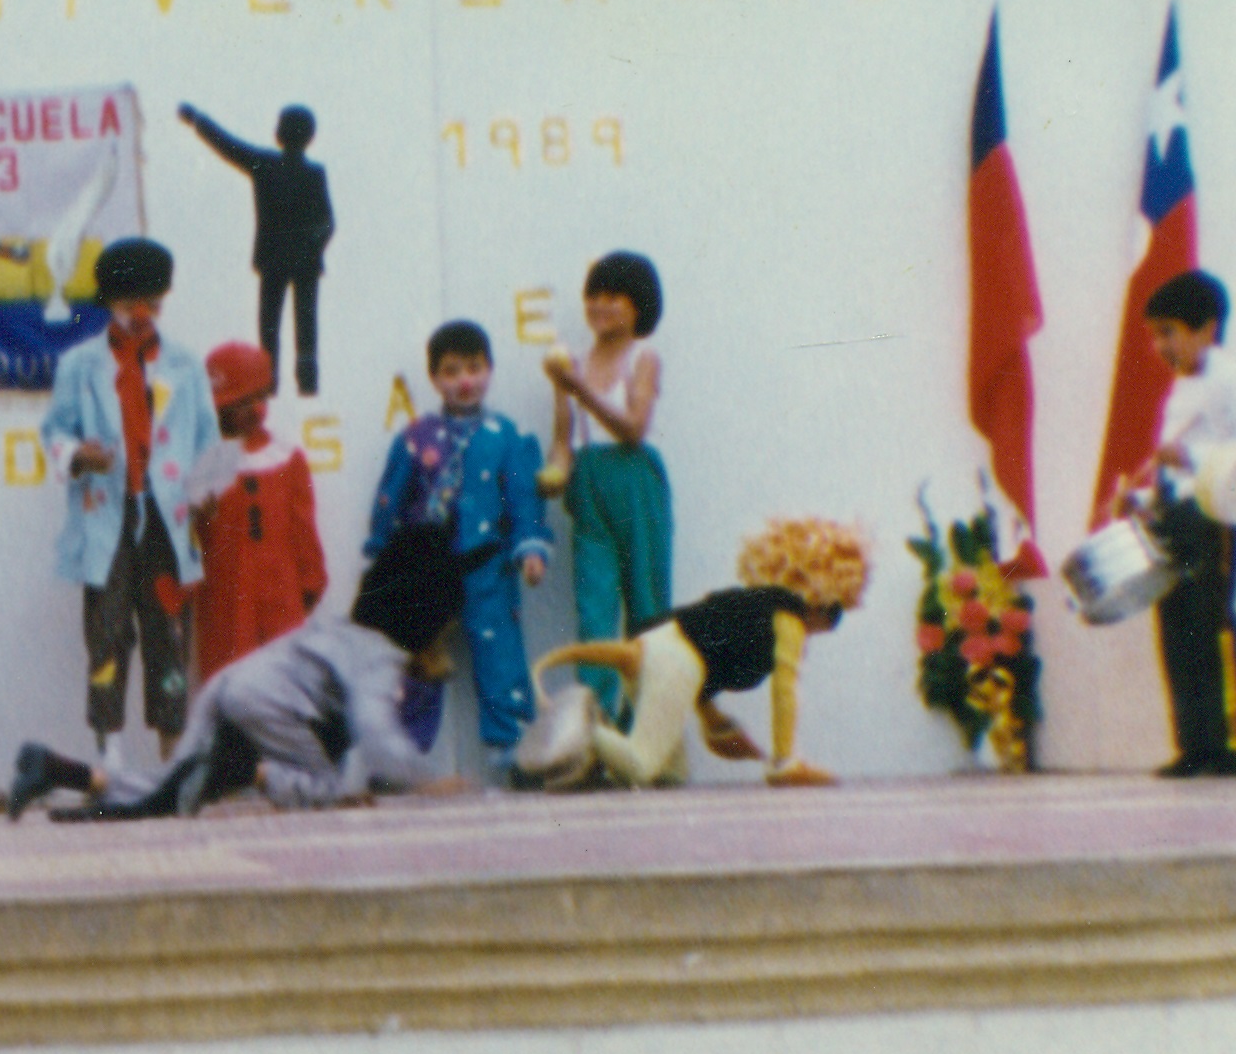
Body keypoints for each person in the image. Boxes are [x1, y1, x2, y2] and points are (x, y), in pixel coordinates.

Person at [6, 521, 479, 821]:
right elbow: (374, 728)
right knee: (333, 793)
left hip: (231, 683)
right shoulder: (379, 655)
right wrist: (425, 779)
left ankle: (58, 770)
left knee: (175, 785)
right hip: (270, 704)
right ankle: (247, 770)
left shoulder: (339, 628)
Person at [40, 237, 221, 760]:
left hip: (168, 516)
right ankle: (111, 756)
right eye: (126, 306)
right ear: (108, 305)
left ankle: (172, 751)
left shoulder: (186, 365)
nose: (140, 315)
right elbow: (54, 430)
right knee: (108, 632)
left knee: (169, 633)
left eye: (151, 304)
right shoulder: (80, 364)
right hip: (108, 516)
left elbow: (208, 440)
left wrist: (206, 491)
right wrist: (77, 453)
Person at [534, 516, 869, 790]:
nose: (823, 630)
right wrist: (785, 762)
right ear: (820, 601)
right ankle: (583, 728)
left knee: (670, 777)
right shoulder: (790, 619)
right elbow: (785, 690)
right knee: (640, 764)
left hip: (658, 648)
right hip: (671, 661)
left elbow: (705, 662)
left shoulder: (759, 606)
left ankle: (593, 739)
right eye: (833, 616)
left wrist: (717, 725)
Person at [367, 320, 551, 783]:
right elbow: (391, 494)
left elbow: (525, 497)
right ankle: (399, 760)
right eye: (451, 371)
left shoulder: (507, 435)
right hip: (424, 570)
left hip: (487, 565)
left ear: (489, 370)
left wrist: (531, 548)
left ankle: (511, 753)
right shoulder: (415, 437)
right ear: (434, 378)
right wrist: (383, 556)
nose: (465, 381)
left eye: (474, 368)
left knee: (499, 654)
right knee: (416, 662)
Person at [1110, 270, 1236, 777]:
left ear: (1206, 329)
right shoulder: (1182, 386)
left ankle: (1235, 745)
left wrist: (1190, 454)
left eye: (1169, 332)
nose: (1161, 346)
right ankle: (1195, 744)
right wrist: (1139, 497)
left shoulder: (1235, 380)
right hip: (1179, 513)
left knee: (1212, 620)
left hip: (1218, 512)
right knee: (1176, 625)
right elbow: (1168, 467)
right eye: (1156, 335)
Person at [544, 250, 672, 723]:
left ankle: (648, 732)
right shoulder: (570, 362)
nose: (601, 305)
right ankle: (593, 733)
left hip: (635, 477)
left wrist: (581, 390)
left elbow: (634, 427)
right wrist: (554, 473)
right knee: (595, 610)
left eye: (615, 296)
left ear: (639, 306)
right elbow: (563, 441)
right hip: (589, 483)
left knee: (648, 610)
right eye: (594, 295)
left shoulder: (644, 357)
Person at [178, 102, 335, 395]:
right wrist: (312, 247)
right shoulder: (313, 173)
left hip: (275, 259)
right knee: (304, 323)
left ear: (280, 133)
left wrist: (197, 119)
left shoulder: (267, 165)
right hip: (303, 262)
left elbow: (226, 144)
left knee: (270, 324)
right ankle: (306, 381)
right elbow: (327, 222)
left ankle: (270, 379)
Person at [192, 343, 324, 681]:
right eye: (238, 405)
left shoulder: (285, 453)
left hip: (281, 594)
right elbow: (193, 535)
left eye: (258, 399)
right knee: (229, 679)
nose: (253, 411)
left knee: (284, 680)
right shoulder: (209, 457)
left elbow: (302, 525)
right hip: (226, 596)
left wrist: (311, 581)